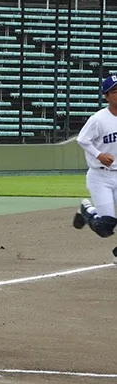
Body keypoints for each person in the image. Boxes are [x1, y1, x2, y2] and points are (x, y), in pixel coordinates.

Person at [73, 74, 117, 264]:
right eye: (115, 91)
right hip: (101, 176)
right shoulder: (98, 119)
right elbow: (82, 139)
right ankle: (86, 209)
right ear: (106, 96)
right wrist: (99, 155)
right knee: (105, 227)